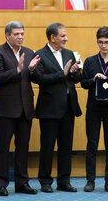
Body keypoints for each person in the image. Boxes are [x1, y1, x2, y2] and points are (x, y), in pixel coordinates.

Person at [0, 21, 41, 196]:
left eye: (22, 33)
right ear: (7, 35)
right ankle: (1, 183)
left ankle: (22, 182)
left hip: (25, 108)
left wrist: (33, 70)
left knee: (23, 147)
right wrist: (18, 70)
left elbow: (36, 78)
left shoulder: (29, 52)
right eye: (16, 34)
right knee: (2, 147)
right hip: (6, 109)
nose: (20, 37)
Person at [35, 22, 82, 193]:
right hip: (49, 108)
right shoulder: (40, 55)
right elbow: (41, 79)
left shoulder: (69, 53)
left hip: (68, 107)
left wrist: (75, 71)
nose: (66, 39)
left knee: (66, 147)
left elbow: (75, 79)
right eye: (63, 36)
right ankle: (45, 181)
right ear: (53, 37)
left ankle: (64, 181)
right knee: (47, 147)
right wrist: (61, 74)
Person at [81, 26, 108, 193]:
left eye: (107, 42)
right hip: (93, 108)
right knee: (91, 145)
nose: (104, 46)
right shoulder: (90, 61)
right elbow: (83, 83)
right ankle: (90, 181)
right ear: (97, 42)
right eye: (100, 42)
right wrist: (93, 79)